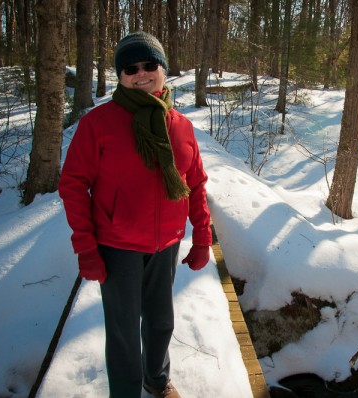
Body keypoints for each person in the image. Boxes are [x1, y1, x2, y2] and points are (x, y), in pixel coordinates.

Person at [58, 31, 212, 398]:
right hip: (117, 246)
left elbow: (196, 182)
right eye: (131, 68)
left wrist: (202, 235)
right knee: (124, 331)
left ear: (162, 70)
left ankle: (156, 381)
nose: (141, 73)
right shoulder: (98, 123)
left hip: (166, 245)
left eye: (149, 65)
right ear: (120, 75)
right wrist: (85, 247)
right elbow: (73, 185)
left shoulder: (181, 125)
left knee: (160, 322)